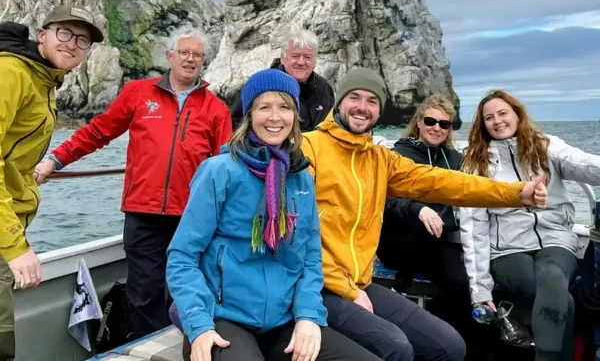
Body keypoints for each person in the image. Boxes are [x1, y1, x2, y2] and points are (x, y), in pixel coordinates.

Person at [300, 68, 548, 361]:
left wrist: (515, 193)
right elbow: (298, 233)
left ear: (380, 110)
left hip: (359, 283)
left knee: (449, 347)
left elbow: (445, 182)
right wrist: (346, 290)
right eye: (354, 97)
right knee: (396, 346)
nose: (362, 107)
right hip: (316, 285)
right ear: (339, 102)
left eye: (372, 101)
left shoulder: (381, 160)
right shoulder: (309, 148)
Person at [166, 69, 380, 361]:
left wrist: (308, 316)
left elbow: (309, 256)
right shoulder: (219, 171)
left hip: (283, 320)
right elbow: (182, 256)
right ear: (250, 114)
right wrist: (199, 325)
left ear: (295, 115)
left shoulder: (301, 176)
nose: (275, 117)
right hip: (223, 317)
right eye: (264, 107)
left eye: (284, 107)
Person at [36, 27, 233, 340]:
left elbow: (225, 167)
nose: (190, 59)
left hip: (192, 216)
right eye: (184, 52)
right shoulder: (139, 93)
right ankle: (146, 351)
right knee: (144, 294)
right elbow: (98, 131)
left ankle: (185, 348)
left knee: (187, 290)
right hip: (143, 213)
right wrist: (55, 160)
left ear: (203, 61)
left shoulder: (216, 109)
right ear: (170, 56)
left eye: (197, 55)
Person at [460, 89, 600, 361]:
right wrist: (480, 290)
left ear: (517, 114)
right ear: (482, 124)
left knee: (552, 275)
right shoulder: (477, 163)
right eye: (489, 117)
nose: (497, 121)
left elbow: (585, 164)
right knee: (562, 301)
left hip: (555, 240)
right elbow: (473, 228)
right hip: (507, 249)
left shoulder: (545, 146)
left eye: (503, 113)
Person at [0, 5, 103, 361]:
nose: (72, 44)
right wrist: (15, 247)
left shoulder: (41, 81)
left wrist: (32, 172)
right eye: (64, 33)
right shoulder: (11, 73)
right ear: (41, 34)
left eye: (82, 40)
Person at [377, 95, 487, 359]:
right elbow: (385, 200)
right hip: (400, 240)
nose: (436, 128)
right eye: (430, 121)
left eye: (444, 124)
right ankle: (401, 288)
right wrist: (419, 208)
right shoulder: (399, 155)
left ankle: (452, 347)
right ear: (419, 122)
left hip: (436, 242)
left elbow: (474, 189)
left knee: (460, 284)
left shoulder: (454, 159)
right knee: (424, 223)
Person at [230, 29, 334, 132]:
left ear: (314, 62)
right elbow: (236, 123)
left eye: (307, 57)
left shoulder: (324, 89)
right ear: (282, 58)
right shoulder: (261, 85)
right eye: (295, 56)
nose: (301, 62)